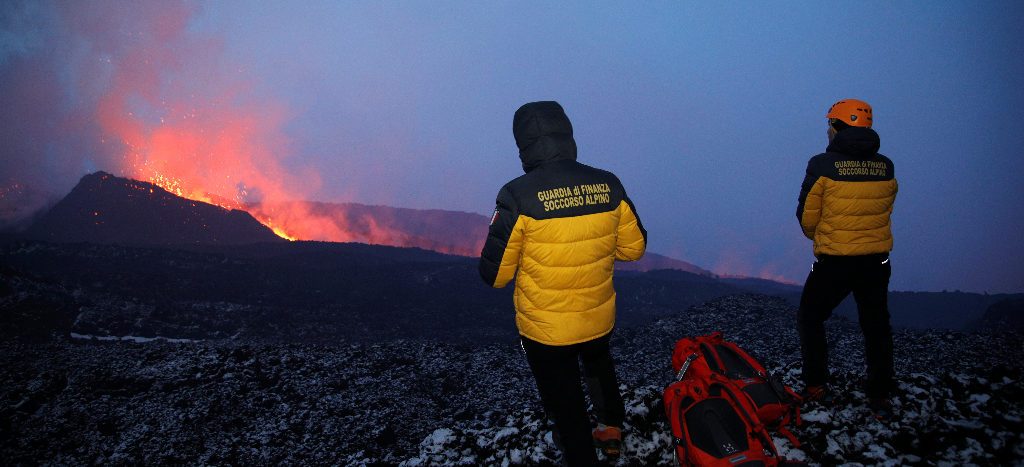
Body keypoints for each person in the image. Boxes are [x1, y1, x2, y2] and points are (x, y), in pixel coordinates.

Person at [479, 101, 647, 465]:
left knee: (565, 399)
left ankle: (581, 454)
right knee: (599, 365)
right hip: (597, 315)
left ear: (523, 144)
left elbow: (496, 276)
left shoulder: (517, 195)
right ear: (567, 134)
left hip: (547, 330)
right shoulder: (609, 184)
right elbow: (634, 250)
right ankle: (611, 428)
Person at [795, 98, 899, 419]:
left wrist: (828, 237)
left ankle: (816, 386)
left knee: (810, 318)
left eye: (830, 123)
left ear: (838, 126)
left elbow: (806, 218)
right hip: (876, 261)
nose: (827, 129)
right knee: (876, 325)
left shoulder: (822, 165)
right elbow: (885, 210)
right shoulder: (886, 166)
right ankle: (880, 393)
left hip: (836, 262)